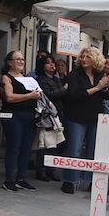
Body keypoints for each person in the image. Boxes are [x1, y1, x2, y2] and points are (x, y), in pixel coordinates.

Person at [61, 47, 109, 195]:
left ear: (95, 59)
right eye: (82, 56)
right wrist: (97, 88)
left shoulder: (99, 75)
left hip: (95, 116)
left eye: (88, 57)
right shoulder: (74, 75)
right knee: (74, 150)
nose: (83, 59)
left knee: (94, 151)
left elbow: (107, 97)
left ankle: (90, 181)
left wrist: (105, 88)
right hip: (76, 116)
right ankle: (69, 180)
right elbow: (75, 95)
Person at [0, 50, 41, 191]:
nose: (21, 62)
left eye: (22, 59)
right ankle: (10, 179)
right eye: (17, 59)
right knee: (14, 147)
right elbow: (9, 97)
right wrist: (30, 96)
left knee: (26, 148)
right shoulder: (6, 77)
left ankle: (21, 178)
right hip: (14, 115)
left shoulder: (28, 78)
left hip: (29, 116)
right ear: (10, 62)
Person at [33, 51, 68, 182]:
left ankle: (51, 170)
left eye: (52, 62)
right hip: (47, 116)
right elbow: (48, 95)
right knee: (44, 144)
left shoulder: (56, 78)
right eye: (48, 63)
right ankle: (41, 170)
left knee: (55, 144)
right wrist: (64, 89)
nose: (52, 65)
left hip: (58, 114)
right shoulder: (41, 80)